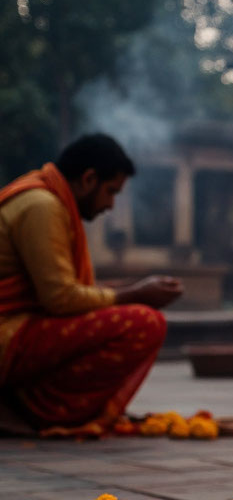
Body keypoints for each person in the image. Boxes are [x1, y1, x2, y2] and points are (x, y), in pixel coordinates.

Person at [0, 134, 182, 436]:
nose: (110, 205)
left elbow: (62, 288)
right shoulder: (42, 206)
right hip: (7, 335)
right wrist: (136, 294)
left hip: (18, 328)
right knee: (144, 323)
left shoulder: (44, 197)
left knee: (132, 312)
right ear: (88, 179)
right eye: (110, 191)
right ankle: (35, 409)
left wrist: (131, 289)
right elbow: (60, 299)